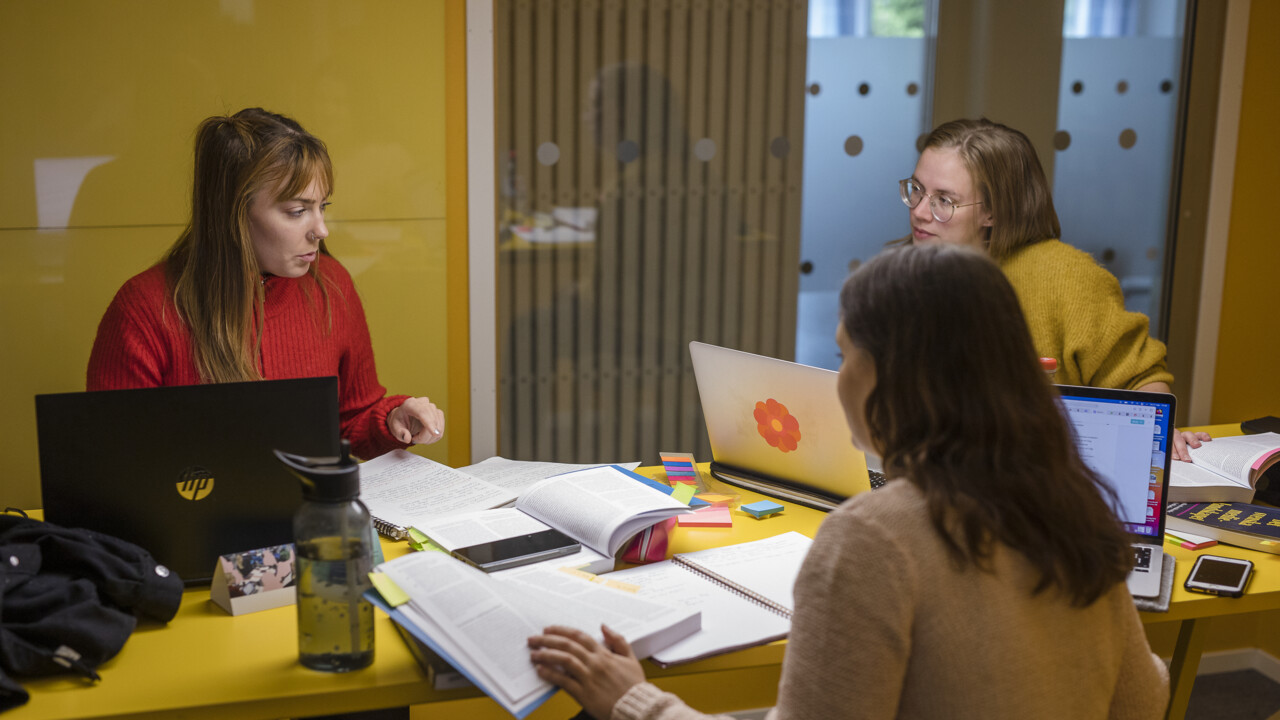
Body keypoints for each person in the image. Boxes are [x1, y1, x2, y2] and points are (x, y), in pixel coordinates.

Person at [527, 244, 1169, 720]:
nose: (836, 379)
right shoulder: (1071, 504)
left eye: (843, 356)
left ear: (892, 378)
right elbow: (1145, 699)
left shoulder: (872, 540)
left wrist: (630, 699)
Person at [86, 108, 443, 460]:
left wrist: (392, 419)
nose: (321, 230)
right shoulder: (144, 309)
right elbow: (116, 462)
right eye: (297, 211)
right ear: (233, 214)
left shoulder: (332, 284)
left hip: (311, 515)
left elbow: (350, 422)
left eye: (322, 207)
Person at [898, 116, 1207, 460]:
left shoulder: (1068, 278)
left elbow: (1141, 381)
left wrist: (1158, 433)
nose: (920, 211)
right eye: (917, 190)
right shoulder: (900, 271)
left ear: (993, 212)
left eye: (944, 200)